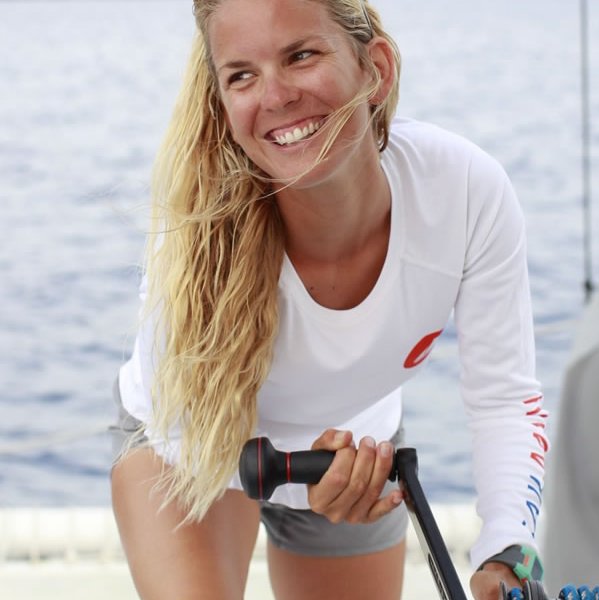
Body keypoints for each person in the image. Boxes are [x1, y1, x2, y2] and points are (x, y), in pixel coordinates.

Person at [110, 0, 549, 598]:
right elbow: (188, 430)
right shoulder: (195, 241)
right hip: (189, 448)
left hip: (356, 454)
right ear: (221, 100)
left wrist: (506, 546)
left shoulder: (466, 192)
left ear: (377, 69)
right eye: (242, 75)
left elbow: (504, 399)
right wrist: (306, 488)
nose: (276, 96)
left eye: (302, 55)